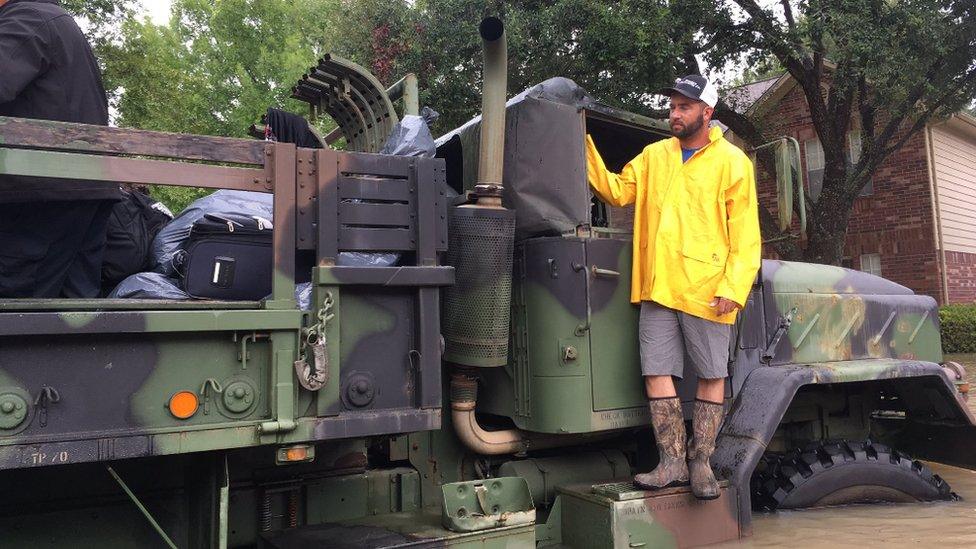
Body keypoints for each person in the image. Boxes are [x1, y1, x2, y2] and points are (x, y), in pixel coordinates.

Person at [586, 75, 761, 499]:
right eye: (672, 106)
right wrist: (581, 144)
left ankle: (701, 462)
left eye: (684, 107)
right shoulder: (653, 157)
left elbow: (746, 235)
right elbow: (615, 191)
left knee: (712, 373)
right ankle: (671, 464)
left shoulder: (733, 163)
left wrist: (734, 287)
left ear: (707, 112)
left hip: (707, 289)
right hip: (657, 285)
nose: (675, 114)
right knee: (656, 372)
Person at [0, 0, 118, 298]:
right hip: (84, 190)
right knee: (73, 317)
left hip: (42, 195)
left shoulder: (27, 17)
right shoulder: (54, 20)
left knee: (17, 311)